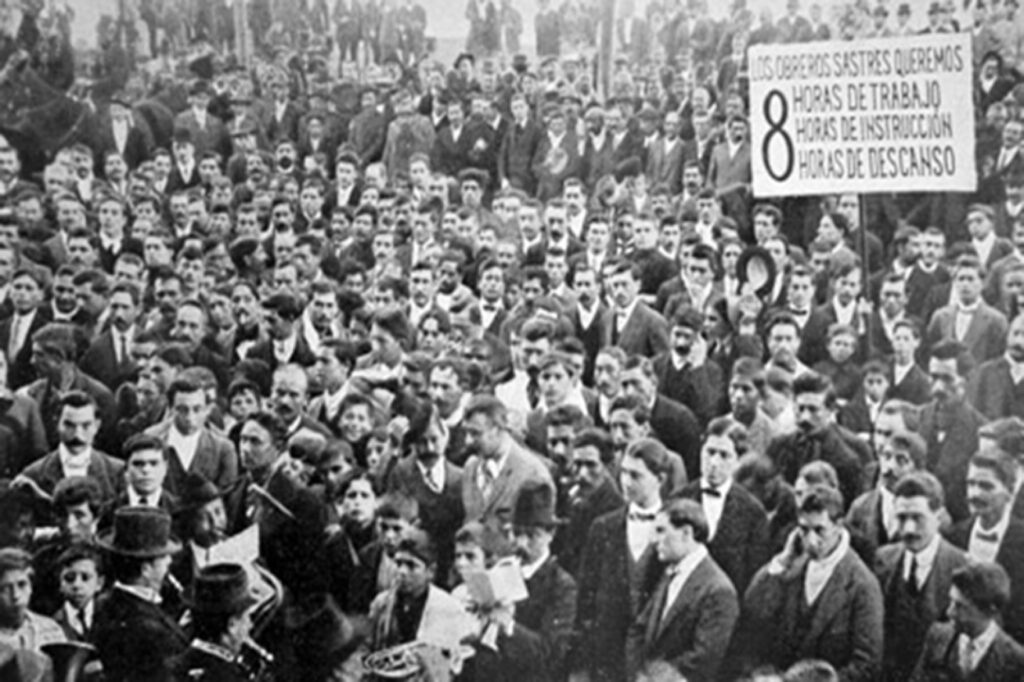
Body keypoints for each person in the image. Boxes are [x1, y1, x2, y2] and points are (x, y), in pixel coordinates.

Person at [738, 485, 884, 681]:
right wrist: (782, 561)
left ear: (839, 526)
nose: (811, 541)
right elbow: (753, 611)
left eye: (819, 530)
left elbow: (866, 665)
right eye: (804, 530)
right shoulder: (793, 566)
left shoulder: (861, 584)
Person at [626, 497, 738, 682]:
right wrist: (636, 675)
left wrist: (650, 678)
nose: (653, 540)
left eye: (661, 531)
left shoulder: (719, 590)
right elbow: (639, 629)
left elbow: (703, 660)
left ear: (686, 533)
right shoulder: (670, 573)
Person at [874, 471, 969, 682]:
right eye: (901, 518)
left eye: (918, 518)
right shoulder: (883, 560)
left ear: (939, 516)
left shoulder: (962, 567)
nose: (909, 529)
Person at [93, 506, 188, 682]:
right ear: (146, 569)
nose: (169, 561)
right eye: (163, 557)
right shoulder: (152, 631)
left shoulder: (104, 603)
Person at [910, 562, 1024, 681]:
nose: (949, 612)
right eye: (951, 601)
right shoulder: (938, 636)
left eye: (960, 606)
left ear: (989, 610)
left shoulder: (1015, 660)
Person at [167, 563, 259, 682]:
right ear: (232, 625)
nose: (250, 625)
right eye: (247, 617)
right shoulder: (231, 677)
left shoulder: (172, 667)